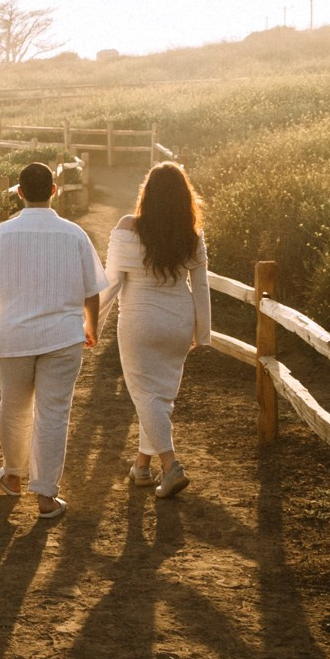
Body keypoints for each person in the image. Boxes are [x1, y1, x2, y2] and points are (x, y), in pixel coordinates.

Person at [0, 161, 106, 522]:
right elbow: (92, 291)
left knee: (14, 406)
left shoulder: (3, 233)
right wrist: (91, 326)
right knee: (54, 413)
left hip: (13, 335)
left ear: (19, 193)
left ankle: (13, 476)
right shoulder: (74, 234)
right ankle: (46, 495)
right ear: (54, 191)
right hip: (63, 336)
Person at [106, 161, 211, 499]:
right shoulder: (191, 236)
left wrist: (90, 322)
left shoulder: (127, 228)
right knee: (159, 398)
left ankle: (171, 466)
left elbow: (111, 283)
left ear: (147, 193)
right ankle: (141, 466)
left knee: (146, 396)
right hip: (179, 321)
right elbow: (201, 286)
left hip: (139, 322)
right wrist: (202, 333)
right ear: (184, 197)